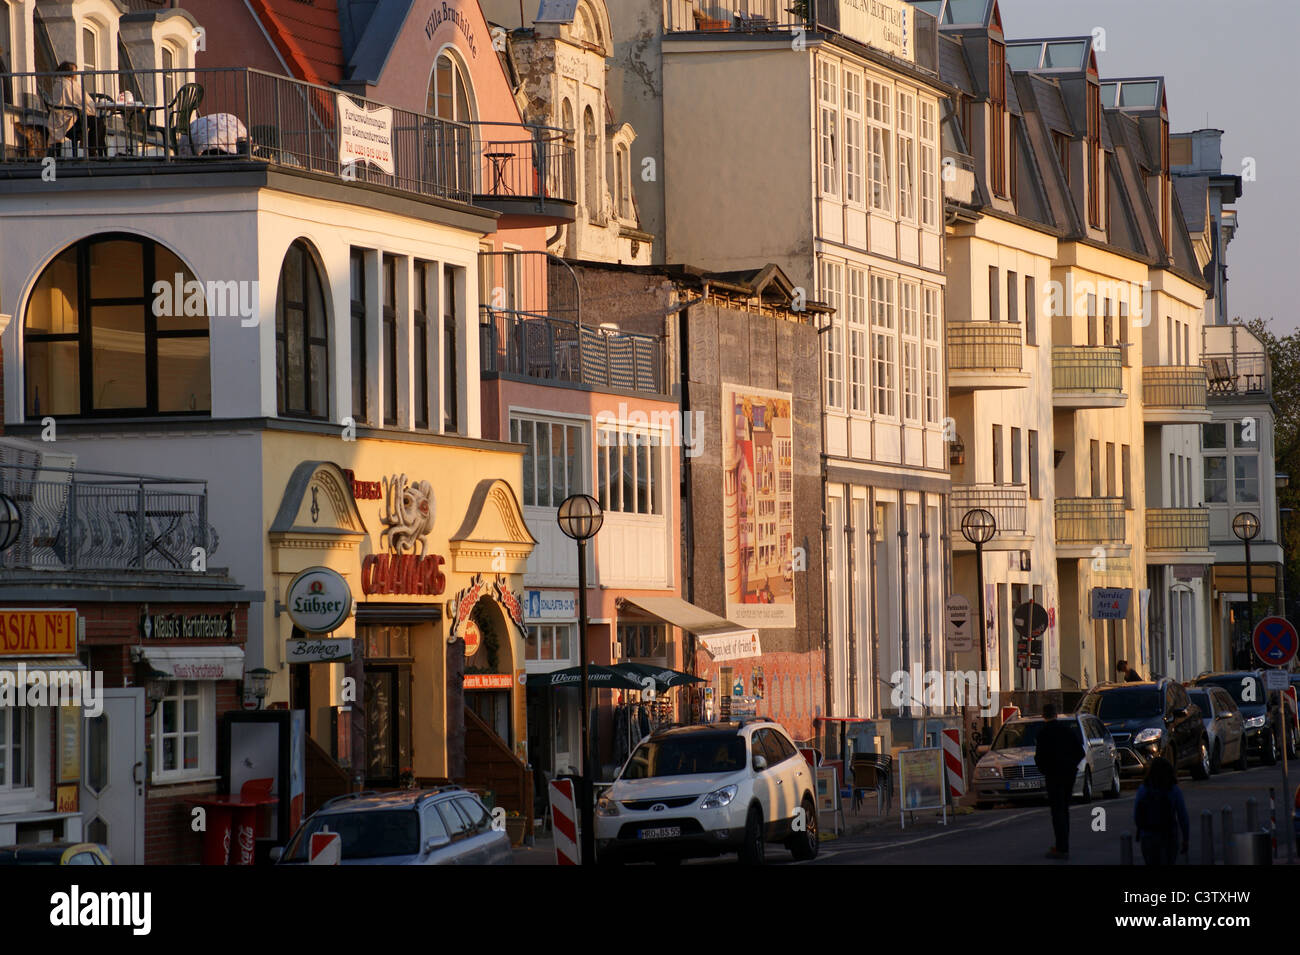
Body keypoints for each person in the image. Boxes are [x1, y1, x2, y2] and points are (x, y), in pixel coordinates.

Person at [1034, 703, 1084, 859]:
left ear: (1044, 716)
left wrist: (1046, 770)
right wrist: (1071, 766)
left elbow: (1039, 758)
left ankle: (1061, 847)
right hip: (1068, 775)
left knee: (1057, 811)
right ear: (1056, 714)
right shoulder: (1067, 731)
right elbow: (1080, 752)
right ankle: (1064, 844)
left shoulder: (1043, 734)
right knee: (1065, 809)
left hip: (1053, 776)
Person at [1133, 756, 1189, 864]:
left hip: (1148, 835)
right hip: (1168, 834)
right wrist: (1185, 838)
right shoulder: (1173, 789)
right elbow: (1183, 816)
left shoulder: (1144, 789)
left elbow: (1137, 814)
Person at [47, 62, 105, 157]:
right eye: (75, 71)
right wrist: (86, 107)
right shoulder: (66, 85)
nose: (76, 74)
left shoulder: (62, 83)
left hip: (70, 115)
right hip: (69, 118)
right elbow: (76, 100)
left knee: (99, 123)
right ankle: (92, 151)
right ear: (68, 72)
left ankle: (93, 150)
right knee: (98, 123)